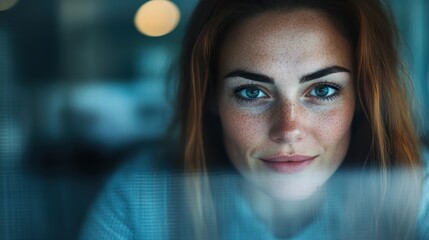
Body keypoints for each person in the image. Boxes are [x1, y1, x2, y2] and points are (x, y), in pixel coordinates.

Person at [80, 0, 428, 239]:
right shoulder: (143, 199)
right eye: (251, 92)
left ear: (363, 98)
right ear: (211, 99)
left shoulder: (418, 193)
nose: (288, 129)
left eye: (322, 90)